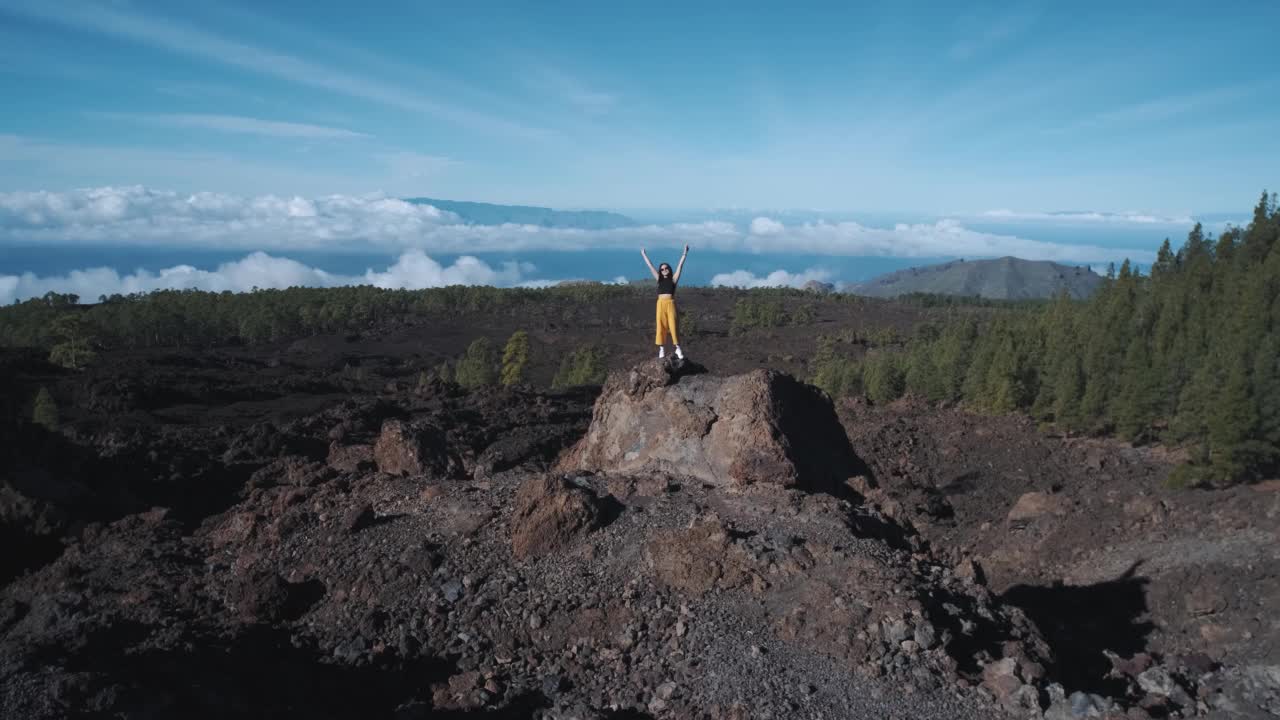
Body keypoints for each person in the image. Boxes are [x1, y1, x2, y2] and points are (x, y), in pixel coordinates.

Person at [641, 245, 688, 359]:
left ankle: (678, 348)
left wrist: (684, 253)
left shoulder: (674, 279)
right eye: (662, 269)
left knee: (673, 325)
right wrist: (644, 254)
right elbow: (650, 266)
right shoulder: (659, 279)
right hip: (660, 303)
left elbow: (680, 266)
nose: (664, 270)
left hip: (670, 303)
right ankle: (662, 348)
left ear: (669, 269)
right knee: (660, 325)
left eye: (666, 268)